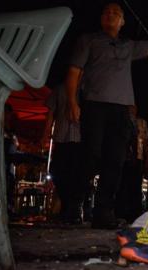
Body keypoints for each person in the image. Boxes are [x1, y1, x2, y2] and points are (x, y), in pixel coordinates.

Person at [65, 2, 148, 229]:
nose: (111, 14)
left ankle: (104, 212)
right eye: (107, 11)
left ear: (123, 22)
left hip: (122, 110)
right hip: (94, 104)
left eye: (117, 13)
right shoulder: (88, 40)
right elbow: (74, 71)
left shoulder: (128, 45)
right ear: (101, 18)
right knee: (90, 156)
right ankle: (74, 207)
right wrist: (73, 101)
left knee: (115, 161)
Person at [41, 84, 84, 224]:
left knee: (76, 175)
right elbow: (50, 113)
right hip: (61, 137)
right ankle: (66, 206)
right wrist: (46, 134)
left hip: (80, 139)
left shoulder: (86, 88)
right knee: (58, 172)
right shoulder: (59, 89)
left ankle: (74, 209)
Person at [115, 105, 148, 222]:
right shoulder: (122, 120)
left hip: (138, 157)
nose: (132, 109)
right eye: (130, 107)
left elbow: (145, 141)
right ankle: (121, 212)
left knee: (136, 186)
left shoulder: (142, 122)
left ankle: (135, 213)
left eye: (134, 107)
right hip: (124, 157)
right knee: (123, 185)